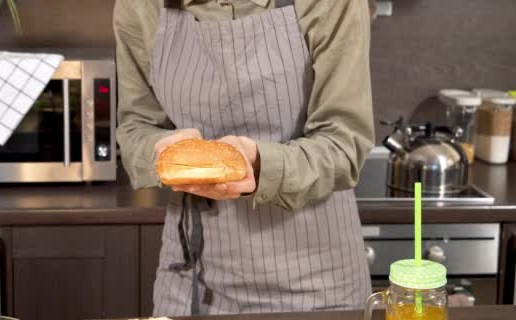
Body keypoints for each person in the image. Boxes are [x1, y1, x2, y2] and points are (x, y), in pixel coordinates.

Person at [114, 0, 375, 316]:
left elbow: (344, 144)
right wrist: (165, 154)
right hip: (189, 279)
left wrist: (258, 164)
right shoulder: (141, 6)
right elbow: (135, 127)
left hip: (315, 284)